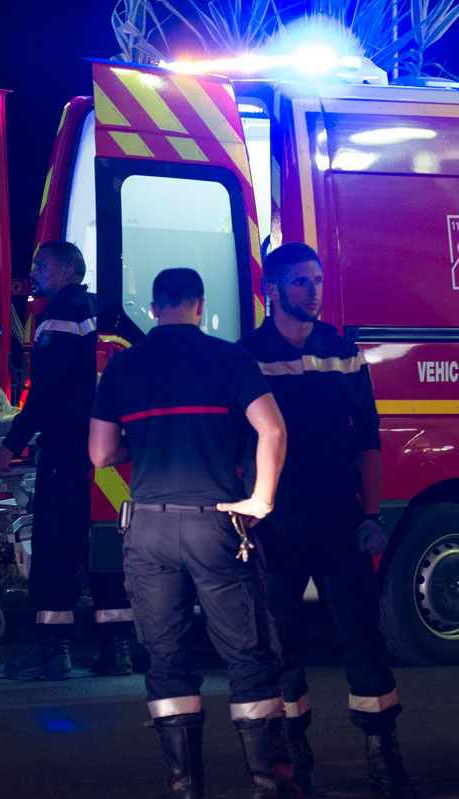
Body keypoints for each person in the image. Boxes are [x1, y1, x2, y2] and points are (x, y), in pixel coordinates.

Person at [89, 268, 300, 799]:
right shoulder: (231, 359)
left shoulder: (123, 366)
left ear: (154, 307)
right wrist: (262, 500)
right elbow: (272, 429)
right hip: (217, 521)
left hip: (150, 527)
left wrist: (150, 440)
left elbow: (101, 454)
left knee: (166, 658)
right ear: (199, 306)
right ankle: (268, 786)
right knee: (248, 655)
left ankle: (186, 788)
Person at [238, 242, 416, 798]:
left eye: (316, 280)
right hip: (277, 525)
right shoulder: (248, 356)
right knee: (281, 645)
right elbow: (237, 447)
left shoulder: (344, 352)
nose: (313, 290)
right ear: (272, 290)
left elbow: (367, 438)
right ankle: (294, 760)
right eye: (300, 282)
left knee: (361, 639)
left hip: (341, 519)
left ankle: (383, 757)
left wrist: (371, 514)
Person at [0, 241, 133, 681]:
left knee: (56, 545)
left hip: (68, 452)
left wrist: (11, 443)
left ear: (69, 270)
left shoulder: (59, 315)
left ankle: (53, 652)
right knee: (106, 546)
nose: (32, 271)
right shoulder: (100, 312)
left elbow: (45, 393)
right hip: (108, 454)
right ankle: (118, 650)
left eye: (41, 265)